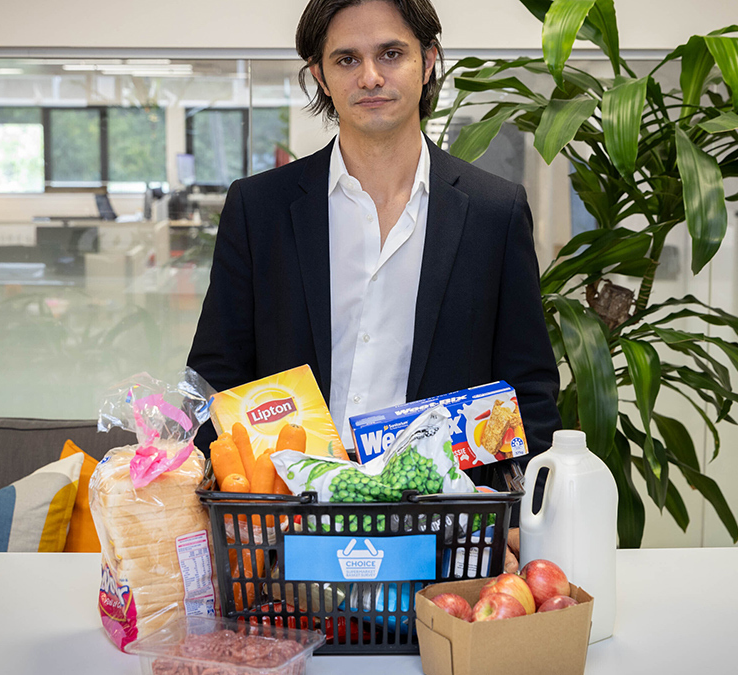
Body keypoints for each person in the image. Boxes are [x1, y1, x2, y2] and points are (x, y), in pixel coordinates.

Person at [186, 0, 561, 571]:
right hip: (287, 534)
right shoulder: (259, 208)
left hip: (446, 534)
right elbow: (216, 377)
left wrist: (516, 520)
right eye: (346, 59)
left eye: (391, 53)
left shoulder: (493, 211)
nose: (370, 76)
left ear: (429, 61)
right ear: (320, 76)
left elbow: (529, 388)